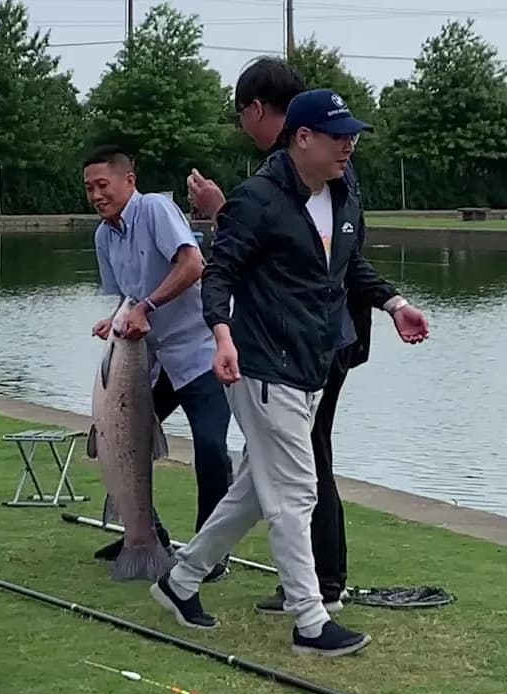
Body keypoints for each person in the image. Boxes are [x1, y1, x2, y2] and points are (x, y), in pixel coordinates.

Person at [152, 90, 429, 658]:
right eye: (337, 135)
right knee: (297, 490)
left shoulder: (346, 193)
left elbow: (350, 268)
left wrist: (395, 304)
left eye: (351, 134)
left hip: (313, 367)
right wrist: (222, 335)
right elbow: (219, 273)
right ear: (302, 138)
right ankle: (310, 620)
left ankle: (180, 582)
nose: (348, 144)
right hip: (261, 366)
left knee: (256, 490)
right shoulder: (257, 200)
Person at [84, 146, 233, 580]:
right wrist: (114, 320)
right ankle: (145, 533)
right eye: (89, 188)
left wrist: (146, 307)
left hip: (197, 351)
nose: (96, 195)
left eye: (103, 185)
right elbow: (126, 296)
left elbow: (194, 264)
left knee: (209, 447)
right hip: (148, 360)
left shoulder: (155, 209)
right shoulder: (103, 236)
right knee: (119, 439)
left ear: (128, 181)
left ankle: (211, 552)